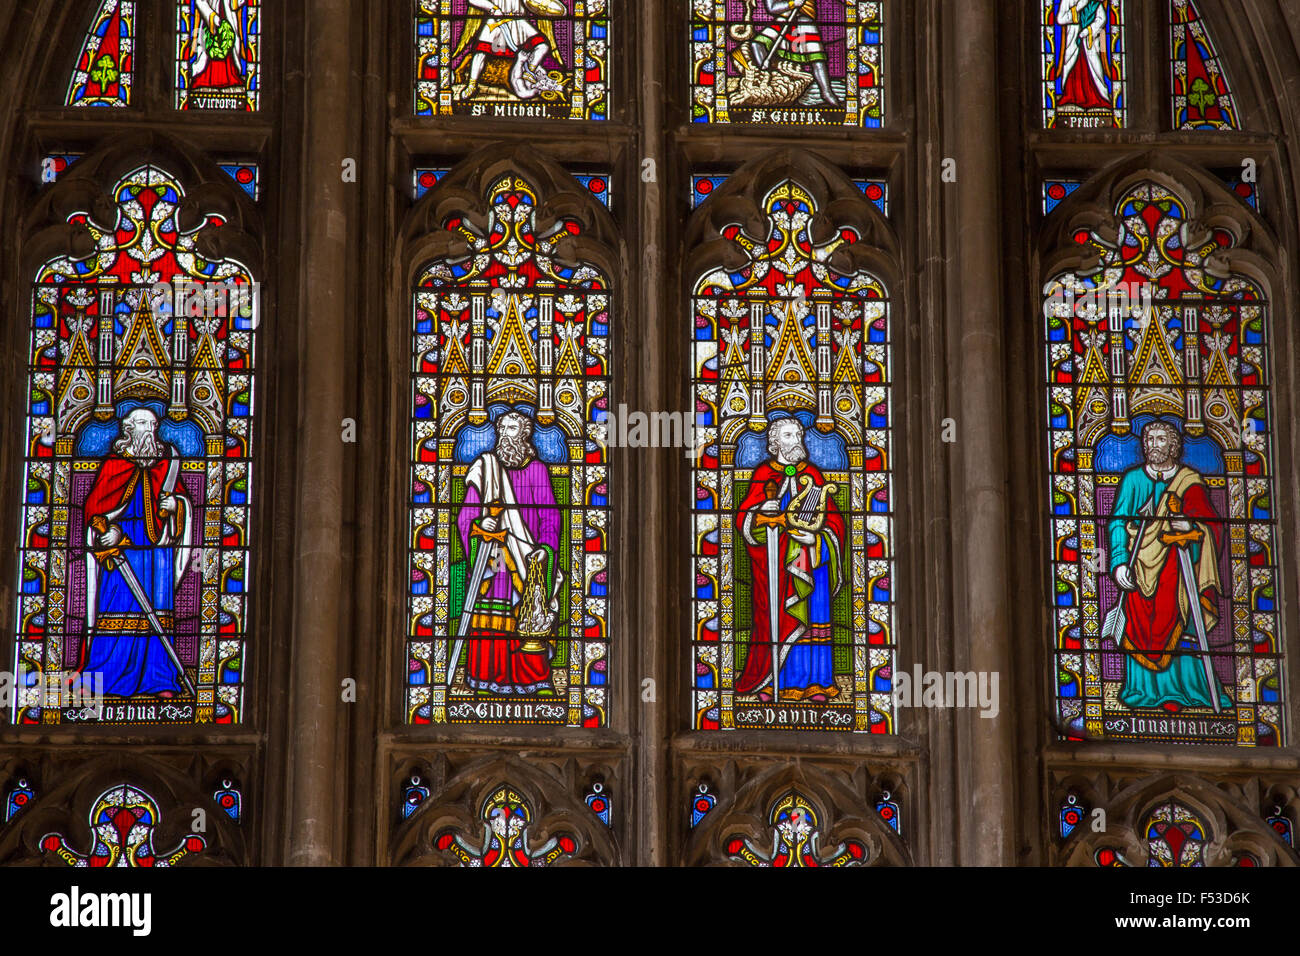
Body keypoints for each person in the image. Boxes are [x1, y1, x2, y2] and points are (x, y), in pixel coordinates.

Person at [1108, 421, 1231, 712]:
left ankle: (1189, 689)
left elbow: (1211, 526)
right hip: (1140, 567)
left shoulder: (1189, 480)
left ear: (1173, 445)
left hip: (1179, 568)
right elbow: (1117, 522)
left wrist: (1192, 526)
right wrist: (1118, 563)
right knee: (1139, 626)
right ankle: (1143, 691)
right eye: (1149, 438)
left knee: (1183, 622)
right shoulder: (1133, 480)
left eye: (1161, 438)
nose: (1153, 443)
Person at [81, 408, 192, 698]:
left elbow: (180, 502)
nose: (150, 429)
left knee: (157, 609)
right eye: (143, 423)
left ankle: (160, 680)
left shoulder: (167, 465)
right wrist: (108, 531)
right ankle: (107, 677)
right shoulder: (115, 464)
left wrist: (175, 508)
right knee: (118, 606)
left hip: (157, 552)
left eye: (152, 424)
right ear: (129, 428)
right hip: (122, 551)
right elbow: (95, 507)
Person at [735, 418, 846, 702]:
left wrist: (818, 541)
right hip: (776, 563)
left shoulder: (813, 474)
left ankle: (815, 684)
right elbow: (744, 520)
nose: (796, 438)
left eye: (798, 433)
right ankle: (774, 681)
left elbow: (833, 522)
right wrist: (760, 512)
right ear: (774, 442)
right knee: (774, 616)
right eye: (788, 434)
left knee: (814, 617)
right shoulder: (763, 474)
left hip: (812, 560)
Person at [455, 411, 562, 694]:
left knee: (528, 615)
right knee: (493, 608)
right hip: (494, 556)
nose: (504, 433)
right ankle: (486, 676)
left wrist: (545, 549)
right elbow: (466, 515)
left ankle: (529, 679)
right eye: (501, 428)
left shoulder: (536, 470)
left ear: (524, 433)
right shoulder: (486, 467)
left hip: (527, 556)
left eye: (511, 428)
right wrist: (480, 523)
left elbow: (551, 517)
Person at [747, 0, 842, 107]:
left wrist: (798, 5)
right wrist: (792, 3)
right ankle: (770, 79)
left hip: (803, 19)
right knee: (757, 45)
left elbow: (809, 7)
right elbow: (772, 8)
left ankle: (826, 92)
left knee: (816, 58)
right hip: (785, 18)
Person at [1053, 0, 1112, 110]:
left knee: (1094, 67)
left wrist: (1088, 30)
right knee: (1072, 67)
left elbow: (1102, 19)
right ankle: (1071, 96)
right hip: (1073, 41)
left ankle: (1098, 96)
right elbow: (1060, 19)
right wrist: (1079, 6)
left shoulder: (1094, 2)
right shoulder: (1067, 1)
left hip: (1091, 42)